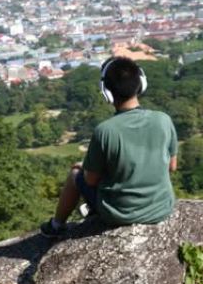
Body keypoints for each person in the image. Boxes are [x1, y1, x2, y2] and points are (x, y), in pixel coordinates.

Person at [40, 57, 178, 238]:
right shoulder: (163, 119)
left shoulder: (105, 131)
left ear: (107, 92)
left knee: (76, 173)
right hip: (161, 208)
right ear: (141, 83)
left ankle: (56, 226)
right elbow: (172, 167)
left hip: (119, 214)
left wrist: (86, 167)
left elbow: (90, 180)